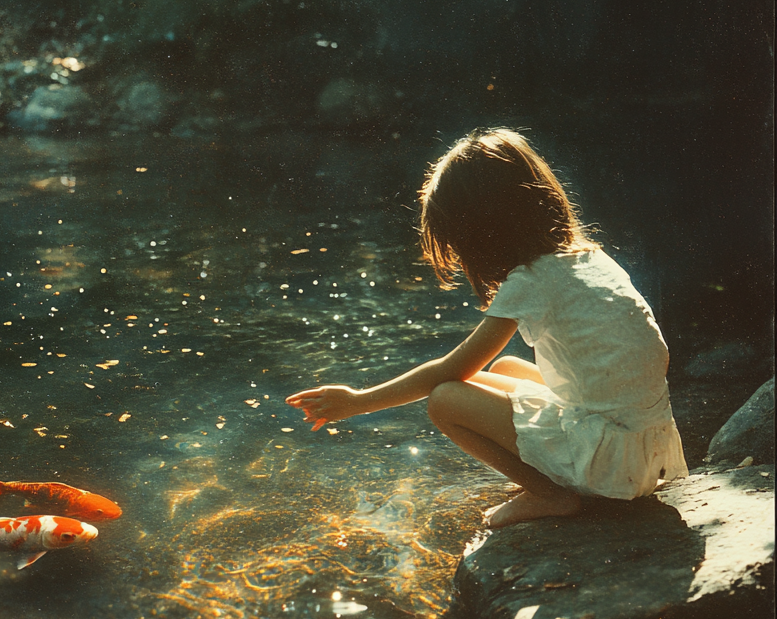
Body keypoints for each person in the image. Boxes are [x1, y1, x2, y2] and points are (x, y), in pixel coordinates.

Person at [286, 128, 688, 528]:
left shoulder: (530, 280)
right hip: (647, 447)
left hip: (613, 463)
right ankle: (552, 476)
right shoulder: (588, 258)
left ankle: (551, 495)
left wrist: (357, 402)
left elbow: (449, 372)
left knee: (445, 400)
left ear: (482, 231)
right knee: (506, 368)